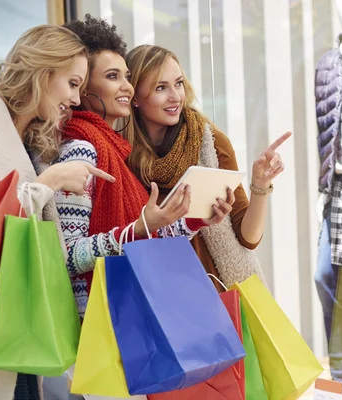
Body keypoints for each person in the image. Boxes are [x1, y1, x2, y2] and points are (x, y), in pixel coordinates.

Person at [0, 24, 113, 400]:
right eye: (72, 83)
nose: (77, 99)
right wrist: (52, 180)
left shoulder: (26, 141)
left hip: (19, 332)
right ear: (44, 70)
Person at [58, 16, 232, 319]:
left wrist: (193, 220)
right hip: (93, 323)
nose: (127, 86)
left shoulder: (116, 150)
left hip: (121, 313)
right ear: (83, 88)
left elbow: (141, 238)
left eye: (126, 76)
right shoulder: (81, 150)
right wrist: (140, 227)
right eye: (113, 77)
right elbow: (67, 256)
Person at [124, 44, 291, 290]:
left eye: (178, 83)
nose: (175, 96)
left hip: (214, 289)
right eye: (161, 87)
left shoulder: (210, 143)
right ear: (135, 97)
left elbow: (248, 238)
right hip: (153, 287)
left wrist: (261, 184)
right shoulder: (122, 154)